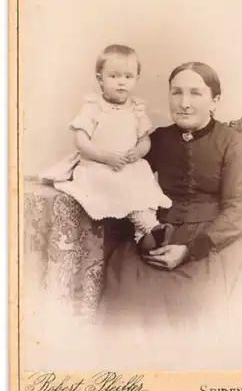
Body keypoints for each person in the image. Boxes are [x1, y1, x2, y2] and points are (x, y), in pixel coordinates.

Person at [101, 61, 242, 333]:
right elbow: (125, 175)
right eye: (176, 92)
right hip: (161, 234)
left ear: (215, 101)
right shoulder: (159, 139)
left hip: (216, 239)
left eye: (195, 93)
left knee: (193, 303)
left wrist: (191, 250)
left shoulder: (233, 143)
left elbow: (238, 210)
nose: (184, 103)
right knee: (126, 293)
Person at [40, 44, 174, 251]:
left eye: (128, 76)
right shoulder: (93, 107)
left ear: (136, 79)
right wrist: (105, 157)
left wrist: (138, 152)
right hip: (98, 165)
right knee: (117, 184)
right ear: (100, 79)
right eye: (114, 76)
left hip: (127, 165)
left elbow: (144, 139)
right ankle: (150, 228)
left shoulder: (136, 109)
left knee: (143, 183)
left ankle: (145, 235)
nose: (121, 82)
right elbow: (81, 140)